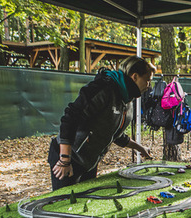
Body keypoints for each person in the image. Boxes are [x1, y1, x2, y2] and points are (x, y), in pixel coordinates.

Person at [48, 55, 154, 190]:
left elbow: (116, 134)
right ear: (135, 76)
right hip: (69, 157)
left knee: (85, 202)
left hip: (89, 161)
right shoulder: (103, 88)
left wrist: (140, 148)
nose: (148, 86)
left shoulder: (127, 99)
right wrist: (64, 160)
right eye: (147, 81)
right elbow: (70, 117)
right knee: (62, 204)